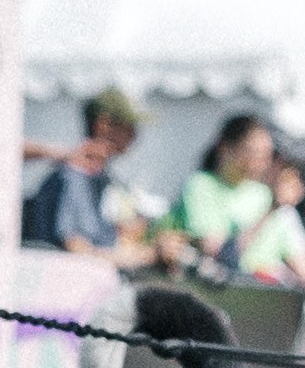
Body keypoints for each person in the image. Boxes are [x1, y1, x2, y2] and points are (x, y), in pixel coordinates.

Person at [24, 87, 152, 260]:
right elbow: (79, 253)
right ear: (103, 124)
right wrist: (146, 256)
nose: (135, 135)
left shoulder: (100, 177)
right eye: (129, 126)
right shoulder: (74, 177)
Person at [158, 113, 277, 273]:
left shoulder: (263, 194)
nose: (259, 163)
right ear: (225, 149)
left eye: (265, 155)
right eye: (252, 153)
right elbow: (216, 251)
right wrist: (272, 209)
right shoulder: (200, 186)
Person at [237, 151, 305, 286]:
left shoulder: (286, 214)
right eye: (290, 174)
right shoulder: (243, 195)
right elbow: (229, 253)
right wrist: (272, 207)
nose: (298, 187)